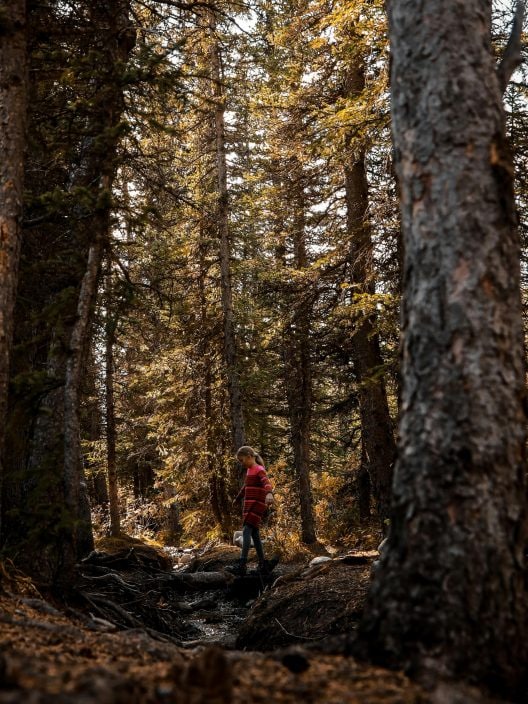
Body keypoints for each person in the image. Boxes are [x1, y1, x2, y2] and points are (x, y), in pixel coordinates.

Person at [229, 446, 274, 576]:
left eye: (242, 460)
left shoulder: (259, 469)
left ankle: (242, 564)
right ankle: (263, 563)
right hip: (249, 504)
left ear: (249, 456)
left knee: (246, 530)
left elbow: (266, 482)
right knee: (255, 534)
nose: (241, 464)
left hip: (256, 504)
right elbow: (246, 486)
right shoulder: (249, 470)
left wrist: (269, 493)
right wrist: (238, 498)